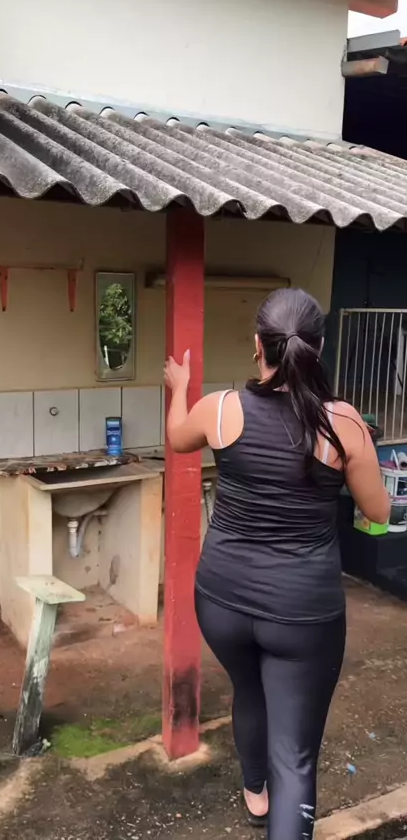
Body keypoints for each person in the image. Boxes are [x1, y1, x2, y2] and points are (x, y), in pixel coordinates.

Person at [164, 288, 390, 840]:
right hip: (301, 614)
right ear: (318, 348)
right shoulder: (342, 423)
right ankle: (272, 798)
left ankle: (255, 795)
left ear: (257, 345)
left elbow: (176, 438)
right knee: (296, 757)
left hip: (221, 600)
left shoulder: (219, 408)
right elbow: (379, 511)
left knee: (249, 688)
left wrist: (179, 388)